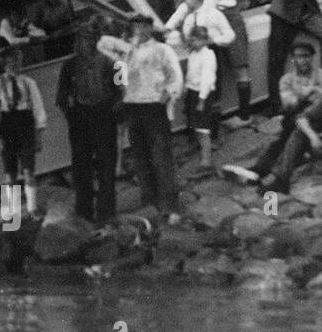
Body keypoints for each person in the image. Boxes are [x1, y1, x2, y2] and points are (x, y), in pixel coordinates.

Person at [98, 15, 185, 224]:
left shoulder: (163, 50)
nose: (139, 30)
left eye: (143, 26)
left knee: (161, 157)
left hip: (154, 106)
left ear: (149, 28)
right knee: (140, 158)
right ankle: (150, 204)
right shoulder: (125, 54)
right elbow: (102, 45)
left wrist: (168, 94)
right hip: (132, 107)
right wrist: (126, 47)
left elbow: (176, 77)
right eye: (135, 26)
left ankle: (170, 206)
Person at [223, 40, 322, 185]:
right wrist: (308, 93)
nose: (304, 60)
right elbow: (289, 104)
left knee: (287, 137)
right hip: (297, 119)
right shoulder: (286, 80)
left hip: (317, 118)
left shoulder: (320, 74)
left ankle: (260, 172)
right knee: (289, 132)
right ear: (293, 59)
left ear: (312, 57)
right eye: (299, 56)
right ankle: (262, 172)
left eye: (307, 56)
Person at [56, 15, 121, 224]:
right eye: (84, 39)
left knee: (106, 165)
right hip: (81, 119)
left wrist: (114, 109)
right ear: (78, 41)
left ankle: (107, 212)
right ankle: (84, 212)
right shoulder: (68, 66)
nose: (89, 43)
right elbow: (61, 97)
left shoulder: (111, 63)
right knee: (81, 167)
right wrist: (72, 116)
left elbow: (123, 88)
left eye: (93, 38)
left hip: (104, 116)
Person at [0, 47, 45, 215]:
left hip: (25, 126)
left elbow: (38, 108)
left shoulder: (28, 82)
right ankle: (14, 211)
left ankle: (33, 208)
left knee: (28, 172)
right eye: (12, 62)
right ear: (4, 64)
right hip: (7, 128)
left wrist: (38, 135)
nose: (16, 65)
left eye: (19, 61)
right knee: (10, 175)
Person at [200, 0, 253, 121]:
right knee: (241, 69)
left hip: (218, 18)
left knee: (215, 72)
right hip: (236, 14)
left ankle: (215, 123)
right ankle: (245, 115)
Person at [182, 26, 218, 168]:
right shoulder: (193, 54)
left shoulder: (208, 55)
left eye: (196, 40)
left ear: (204, 40)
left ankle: (206, 158)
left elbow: (207, 78)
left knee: (203, 127)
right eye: (192, 40)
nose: (193, 42)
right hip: (192, 91)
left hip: (202, 93)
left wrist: (202, 99)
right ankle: (201, 150)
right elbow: (190, 73)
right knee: (195, 124)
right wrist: (186, 88)